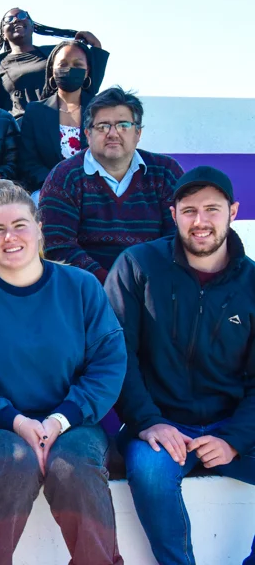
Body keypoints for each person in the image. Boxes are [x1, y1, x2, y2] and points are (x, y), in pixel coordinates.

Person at [0, 184, 127, 565]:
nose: (10, 237)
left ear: (40, 228)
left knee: (72, 468)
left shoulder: (80, 287)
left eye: (20, 225)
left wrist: (60, 420)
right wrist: (16, 421)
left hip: (74, 422)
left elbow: (107, 364)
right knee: (13, 464)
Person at [106, 166, 255, 565]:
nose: (200, 221)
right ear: (173, 215)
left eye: (212, 209)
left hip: (231, 423)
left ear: (233, 211)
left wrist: (235, 439)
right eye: (189, 210)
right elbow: (116, 354)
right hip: (160, 422)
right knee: (151, 474)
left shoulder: (253, 282)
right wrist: (148, 420)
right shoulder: (137, 266)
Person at [40, 87, 184, 284]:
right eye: (103, 126)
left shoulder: (165, 172)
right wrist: (110, 285)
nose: (113, 134)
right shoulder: (64, 177)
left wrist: (145, 283)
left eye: (123, 125)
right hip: (87, 289)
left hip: (154, 284)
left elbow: (178, 236)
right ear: (87, 134)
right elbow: (57, 246)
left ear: (138, 133)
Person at [0, 8, 107, 117]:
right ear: (3, 33)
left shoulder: (57, 54)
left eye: (22, 16)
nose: (16, 20)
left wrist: (96, 47)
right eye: (8, 19)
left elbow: (88, 83)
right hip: (20, 130)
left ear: (33, 27)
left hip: (61, 120)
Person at [17, 40, 98, 194]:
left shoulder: (100, 111)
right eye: (63, 64)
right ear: (52, 69)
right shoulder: (36, 111)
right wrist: (57, 183)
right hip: (49, 190)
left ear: (87, 71)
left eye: (77, 65)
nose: (70, 69)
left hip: (94, 192)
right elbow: (28, 162)